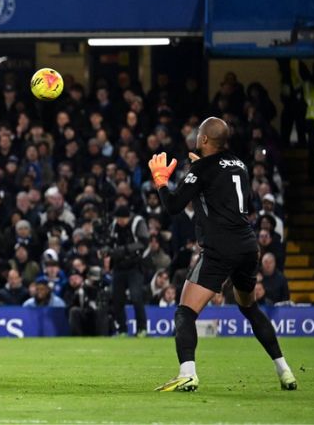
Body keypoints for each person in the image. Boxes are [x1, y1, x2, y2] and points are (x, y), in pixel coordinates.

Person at [149, 117, 296, 392]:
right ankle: (285, 370)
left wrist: (160, 182)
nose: (196, 137)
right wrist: (199, 170)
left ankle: (187, 373)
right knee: (250, 308)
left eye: (198, 134)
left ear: (204, 139)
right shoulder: (240, 165)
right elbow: (225, 190)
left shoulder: (202, 168)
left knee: (185, 313)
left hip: (220, 248)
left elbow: (174, 205)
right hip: (248, 246)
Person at [107, 205, 150, 337]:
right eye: (118, 219)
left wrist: (125, 249)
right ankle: (122, 330)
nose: (120, 221)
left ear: (128, 217)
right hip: (119, 265)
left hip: (135, 266)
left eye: (122, 219)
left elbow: (144, 242)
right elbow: (111, 242)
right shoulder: (115, 225)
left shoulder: (138, 222)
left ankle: (142, 329)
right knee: (117, 298)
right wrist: (108, 251)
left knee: (136, 297)